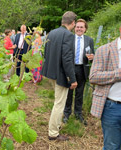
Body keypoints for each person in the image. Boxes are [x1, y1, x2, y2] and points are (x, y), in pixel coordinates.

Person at [41, 11, 77, 141]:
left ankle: (55, 125)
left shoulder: (52, 32)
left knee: (57, 101)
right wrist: (72, 79)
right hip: (60, 74)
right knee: (59, 104)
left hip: (50, 72)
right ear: (73, 23)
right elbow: (67, 59)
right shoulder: (68, 35)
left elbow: (46, 53)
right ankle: (53, 133)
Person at [89, 25, 121, 150]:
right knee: (112, 146)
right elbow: (93, 77)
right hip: (112, 107)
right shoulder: (104, 50)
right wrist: (118, 74)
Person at [63, 19, 94, 125]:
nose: (79, 29)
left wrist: (92, 57)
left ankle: (78, 113)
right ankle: (66, 113)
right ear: (74, 28)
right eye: (77, 26)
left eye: (81, 27)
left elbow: (92, 55)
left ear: (85, 29)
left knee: (79, 92)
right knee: (69, 92)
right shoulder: (69, 38)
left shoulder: (89, 40)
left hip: (82, 69)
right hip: (70, 68)